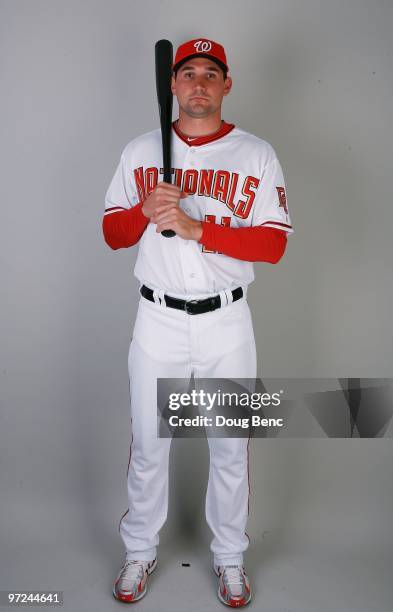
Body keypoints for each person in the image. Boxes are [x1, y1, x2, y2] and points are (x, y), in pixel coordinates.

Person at [103, 37, 293, 607]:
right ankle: (139, 552)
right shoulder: (140, 151)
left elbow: (274, 244)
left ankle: (230, 559)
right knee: (148, 439)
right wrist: (146, 210)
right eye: (188, 73)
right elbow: (112, 233)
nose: (200, 83)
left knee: (231, 444)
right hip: (157, 318)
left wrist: (194, 227)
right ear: (173, 85)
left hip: (226, 320)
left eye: (212, 73)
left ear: (227, 85)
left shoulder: (256, 153)